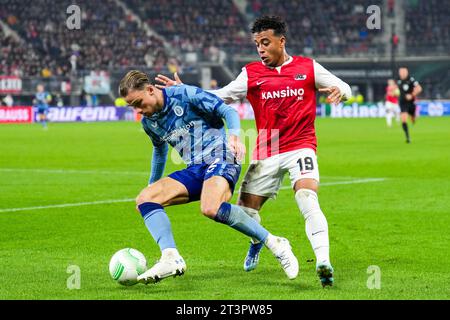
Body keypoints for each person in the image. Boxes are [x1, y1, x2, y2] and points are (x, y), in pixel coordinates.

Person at [156, 16, 352, 288]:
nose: (260, 49)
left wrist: (341, 91)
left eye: (265, 42)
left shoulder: (307, 68)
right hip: (267, 149)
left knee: (307, 196)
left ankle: (323, 261)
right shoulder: (251, 73)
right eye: (257, 44)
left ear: (281, 41)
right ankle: (257, 240)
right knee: (245, 213)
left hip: (301, 145)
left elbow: (345, 86)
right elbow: (219, 96)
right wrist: (185, 91)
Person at [118, 70, 299, 284]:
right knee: (145, 199)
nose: (138, 110)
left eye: (138, 103)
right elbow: (159, 152)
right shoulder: (149, 123)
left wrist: (234, 137)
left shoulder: (183, 94)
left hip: (222, 155)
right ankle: (170, 257)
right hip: (195, 168)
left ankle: (276, 243)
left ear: (150, 89)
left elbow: (227, 111)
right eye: (133, 107)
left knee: (210, 207)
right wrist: (152, 184)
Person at [397, 67, 422, 143]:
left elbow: (419, 88)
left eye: (404, 72)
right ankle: (408, 137)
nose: (402, 73)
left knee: (412, 119)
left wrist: (412, 95)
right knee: (404, 119)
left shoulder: (411, 79)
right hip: (402, 103)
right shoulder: (398, 80)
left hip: (411, 103)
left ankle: (413, 116)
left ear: (407, 72)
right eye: (401, 72)